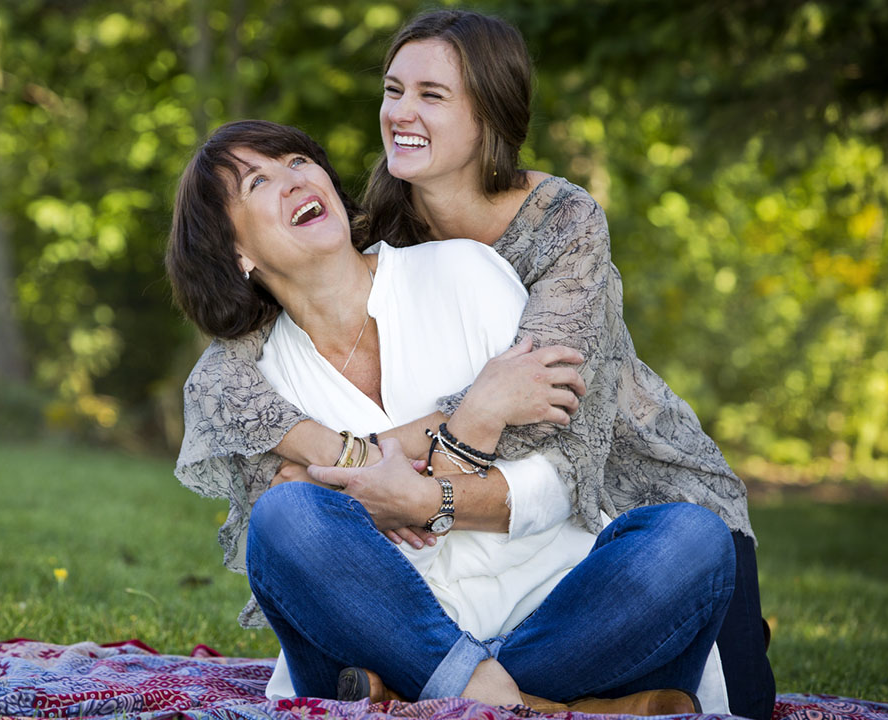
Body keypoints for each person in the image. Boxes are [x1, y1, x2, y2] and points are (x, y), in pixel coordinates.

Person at [175, 10, 775, 720]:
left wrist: (414, 483)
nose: (401, 111)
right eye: (394, 90)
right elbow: (273, 468)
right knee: (286, 520)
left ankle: (429, 692)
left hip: (620, 486)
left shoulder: (517, 246)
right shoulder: (379, 227)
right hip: (402, 611)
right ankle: (536, 703)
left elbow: (564, 447)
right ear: (237, 255)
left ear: (487, 115)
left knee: (693, 544)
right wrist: (443, 430)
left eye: (432, 95)